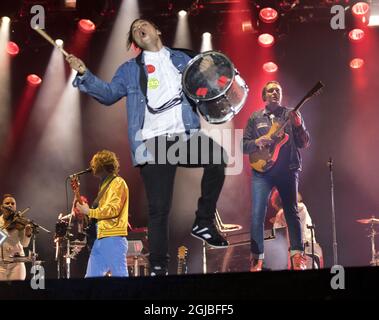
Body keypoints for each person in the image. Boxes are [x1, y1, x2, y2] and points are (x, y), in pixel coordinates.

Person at [67, 18, 228, 276]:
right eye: (133, 30)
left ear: (156, 30)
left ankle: (204, 221)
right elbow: (108, 94)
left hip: (184, 135)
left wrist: (209, 68)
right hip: (152, 142)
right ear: (135, 42)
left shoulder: (183, 59)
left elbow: (211, 84)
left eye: (142, 24)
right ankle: (157, 266)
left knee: (218, 158)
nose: (137, 29)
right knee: (159, 207)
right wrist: (85, 74)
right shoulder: (130, 69)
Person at [243, 81, 310, 271]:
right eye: (270, 90)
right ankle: (256, 260)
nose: (274, 93)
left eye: (278, 90)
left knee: (292, 211)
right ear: (264, 96)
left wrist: (297, 126)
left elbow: (305, 143)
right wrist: (257, 141)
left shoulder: (291, 114)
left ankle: (297, 257)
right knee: (257, 213)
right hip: (262, 170)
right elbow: (242, 145)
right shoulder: (255, 117)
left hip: (288, 169)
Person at [75, 150, 129, 277]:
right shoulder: (104, 185)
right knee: (90, 280)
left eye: (95, 163)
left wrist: (89, 211)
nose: (92, 167)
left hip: (113, 238)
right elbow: (98, 215)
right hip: (100, 239)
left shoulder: (117, 182)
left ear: (102, 165)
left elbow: (113, 210)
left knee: (121, 280)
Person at [0, 194, 33, 281]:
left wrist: (28, 234)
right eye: (7, 203)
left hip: (17, 263)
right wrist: (5, 231)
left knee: (17, 291)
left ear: (15, 206)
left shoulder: (20, 221)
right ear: (1, 207)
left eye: (12, 203)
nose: (10, 205)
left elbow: (24, 244)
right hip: (1, 264)